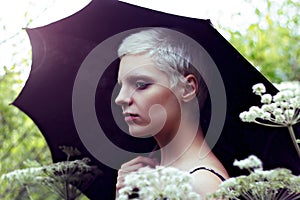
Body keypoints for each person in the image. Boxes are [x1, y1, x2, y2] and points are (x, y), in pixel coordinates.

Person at [114, 27, 229, 197]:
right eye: (121, 86)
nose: (120, 98)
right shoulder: (152, 177)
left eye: (140, 84)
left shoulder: (201, 185)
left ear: (187, 88)